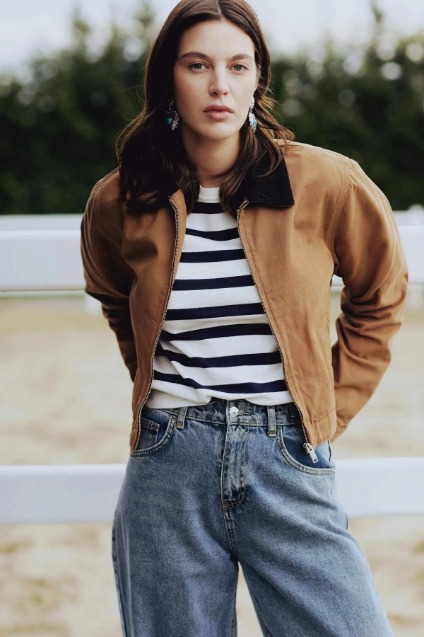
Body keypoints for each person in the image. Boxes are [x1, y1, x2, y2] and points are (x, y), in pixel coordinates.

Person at [80, 1, 408, 635]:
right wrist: (160, 390)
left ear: (259, 77)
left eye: (237, 66)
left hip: (287, 452)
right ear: (168, 78)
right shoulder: (119, 198)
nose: (219, 85)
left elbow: (381, 296)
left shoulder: (326, 183)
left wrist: (326, 411)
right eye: (197, 65)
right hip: (167, 461)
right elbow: (117, 300)